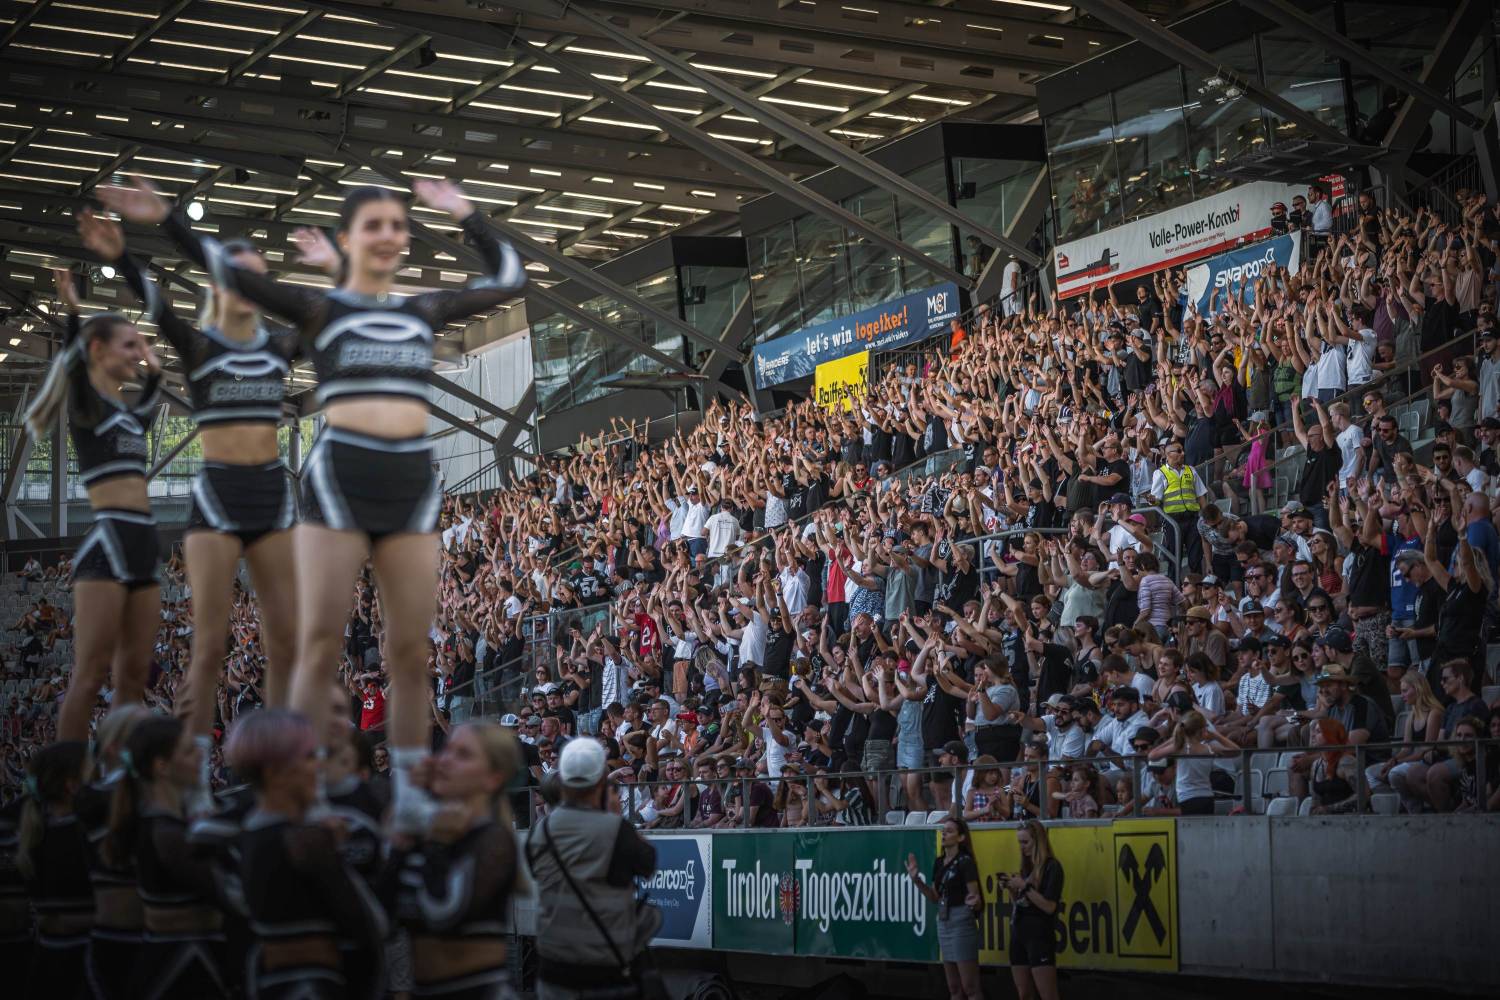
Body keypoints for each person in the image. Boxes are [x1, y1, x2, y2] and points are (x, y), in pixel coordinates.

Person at [105, 175, 526, 831]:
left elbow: (509, 277)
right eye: (374, 225)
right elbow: (225, 274)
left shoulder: (422, 310)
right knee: (318, 642)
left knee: (411, 650)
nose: (390, 235)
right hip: (339, 477)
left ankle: (411, 797)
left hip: (412, 481)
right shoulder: (320, 312)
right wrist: (163, 224)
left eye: (397, 224)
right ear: (347, 239)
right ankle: (294, 789)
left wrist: (469, 215)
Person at [77, 208, 314, 812]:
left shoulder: (280, 346)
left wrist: (330, 269)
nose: (253, 288)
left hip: (270, 495)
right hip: (217, 497)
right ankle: (189, 776)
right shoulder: (201, 346)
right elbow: (158, 309)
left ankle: (277, 769)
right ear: (218, 285)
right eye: (242, 276)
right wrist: (120, 257)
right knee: (209, 645)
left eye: (261, 278)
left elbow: (324, 319)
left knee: (285, 639)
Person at [23, 263, 163, 743]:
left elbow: (148, 404)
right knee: (88, 675)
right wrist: (74, 313)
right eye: (128, 344)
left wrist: (155, 371)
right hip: (107, 542)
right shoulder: (88, 408)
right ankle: (61, 791)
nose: (136, 351)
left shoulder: (126, 416)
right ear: (99, 351)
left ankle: (122, 787)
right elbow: (73, 362)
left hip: (146, 542)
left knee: (133, 678)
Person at [226, 710, 387, 1000]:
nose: (319, 767)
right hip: (314, 983)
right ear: (275, 771)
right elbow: (374, 922)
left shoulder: (245, 826)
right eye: (310, 757)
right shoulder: (305, 840)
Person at [385, 721, 523, 999]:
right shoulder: (430, 831)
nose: (445, 760)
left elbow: (441, 913)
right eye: (447, 750)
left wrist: (436, 844)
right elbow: (382, 914)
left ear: (493, 778)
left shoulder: (493, 840)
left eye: (463, 755)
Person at [102, 715, 229, 999]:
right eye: (187, 750)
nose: (199, 752)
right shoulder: (166, 835)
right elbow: (230, 894)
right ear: (161, 767)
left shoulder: (161, 822)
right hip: (182, 966)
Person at [525, 739, 658, 1000]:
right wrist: (615, 816)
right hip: (604, 964)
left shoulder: (541, 830)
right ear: (600, 780)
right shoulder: (615, 828)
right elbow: (647, 864)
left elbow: (535, 871)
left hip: (554, 963)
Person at [906, 816, 981, 1000]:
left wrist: (974, 902)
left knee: (970, 986)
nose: (944, 833)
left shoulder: (965, 862)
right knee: (953, 986)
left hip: (961, 918)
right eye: (943, 830)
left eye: (949, 831)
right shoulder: (939, 862)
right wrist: (916, 880)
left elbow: (976, 897)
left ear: (961, 837)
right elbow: (934, 896)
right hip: (944, 919)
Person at [1005, 819, 1063, 1000]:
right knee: (1024, 993)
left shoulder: (1052, 867)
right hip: (1019, 932)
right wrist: (1012, 890)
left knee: (1048, 994)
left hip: (1039, 935)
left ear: (1038, 841)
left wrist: (1024, 887)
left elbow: (1049, 906)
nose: (1022, 847)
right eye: (1019, 842)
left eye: (1025, 842)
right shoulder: (1026, 866)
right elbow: (1020, 902)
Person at [1147, 710, 1237, 815]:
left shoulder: (1180, 747)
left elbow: (1152, 756)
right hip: (1207, 795)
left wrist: (1172, 740)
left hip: (1187, 796)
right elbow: (1236, 751)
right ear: (1202, 730)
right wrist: (1217, 736)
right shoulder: (1209, 748)